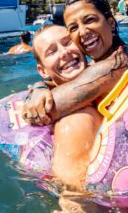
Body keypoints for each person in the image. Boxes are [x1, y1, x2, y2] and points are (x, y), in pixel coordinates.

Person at [22, 0, 128, 128]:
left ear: (111, 23)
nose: (83, 32)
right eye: (74, 27)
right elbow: (78, 81)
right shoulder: (100, 63)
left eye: (89, 20)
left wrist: (33, 100)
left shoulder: (118, 63)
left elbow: (47, 109)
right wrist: (39, 86)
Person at [30, 25, 100, 189]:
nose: (64, 52)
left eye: (68, 42)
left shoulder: (111, 70)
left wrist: (40, 86)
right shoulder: (74, 122)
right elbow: (73, 197)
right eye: (52, 51)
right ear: (42, 70)